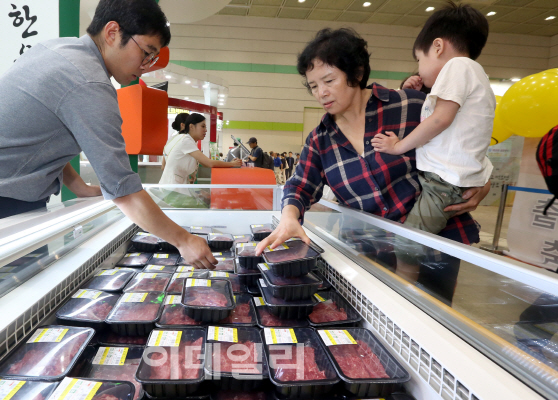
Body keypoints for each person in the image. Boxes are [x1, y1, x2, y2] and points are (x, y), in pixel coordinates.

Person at [0, 0, 218, 269]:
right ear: (112, 33)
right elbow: (123, 189)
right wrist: (184, 240)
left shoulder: (61, 51)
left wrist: (80, 188)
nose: (147, 65)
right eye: (146, 52)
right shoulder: (88, 82)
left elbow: (44, 136)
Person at [256, 27, 490, 305]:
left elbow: (465, 140)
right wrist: (289, 216)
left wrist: (482, 181)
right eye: (314, 86)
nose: (321, 93)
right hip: (372, 253)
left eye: (329, 80)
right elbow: (300, 185)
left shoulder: (411, 107)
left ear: (356, 73)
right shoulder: (321, 139)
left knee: (431, 324)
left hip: (435, 244)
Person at [371, 1, 494, 237]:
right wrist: (410, 88)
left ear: (438, 46)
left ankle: (402, 274)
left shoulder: (458, 66)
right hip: (445, 180)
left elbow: (440, 120)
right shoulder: (476, 75)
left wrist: (398, 146)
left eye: (419, 59)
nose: (419, 70)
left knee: (409, 243)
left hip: (443, 184)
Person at [160, 113, 241, 184]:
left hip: (171, 185)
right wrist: (232, 164)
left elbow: (167, 165)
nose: (205, 130)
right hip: (173, 188)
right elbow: (209, 163)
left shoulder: (176, 138)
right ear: (191, 126)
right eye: (202, 126)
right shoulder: (186, 140)